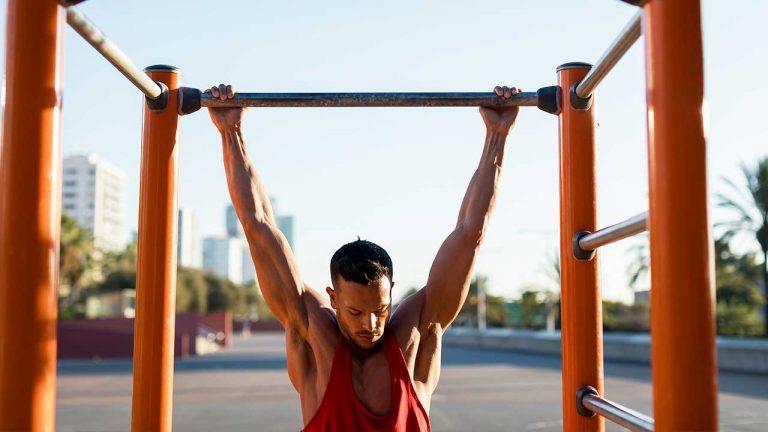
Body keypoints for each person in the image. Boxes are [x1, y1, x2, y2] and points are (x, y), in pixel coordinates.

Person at [206, 84, 522, 431]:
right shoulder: (315, 337)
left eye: (380, 310)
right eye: (355, 312)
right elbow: (258, 226)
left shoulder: (413, 338)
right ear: (333, 298)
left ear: (391, 295)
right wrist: (230, 131)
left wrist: (498, 135)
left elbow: (470, 232)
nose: (370, 325)